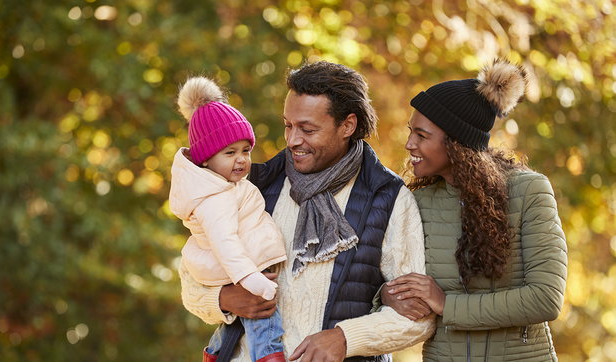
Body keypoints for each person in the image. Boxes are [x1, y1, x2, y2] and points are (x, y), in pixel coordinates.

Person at [178, 61, 436, 362]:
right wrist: (223, 299)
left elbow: (418, 318)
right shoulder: (255, 186)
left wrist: (345, 339)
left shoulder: (388, 198)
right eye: (288, 125)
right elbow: (190, 282)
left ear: (347, 126)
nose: (292, 140)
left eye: (308, 129)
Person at [379, 58, 568, 361]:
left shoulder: (529, 191)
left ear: (456, 142)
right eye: (410, 131)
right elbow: (387, 279)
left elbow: (546, 298)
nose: (409, 144)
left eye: (422, 135)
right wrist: (387, 296)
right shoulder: (417, 202)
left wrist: (446, 305)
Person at [169, 76, 287, 362]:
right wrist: (255, 282)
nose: (242, 160)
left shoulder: (222, 186)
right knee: (265, 320)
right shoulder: (216, 199)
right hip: (241, 269)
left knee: (235, 321)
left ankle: (215, 353)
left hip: (237, 267)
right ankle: (270, 358)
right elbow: (225, 244)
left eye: (246, 150)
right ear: (206, 159)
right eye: (229, 152)